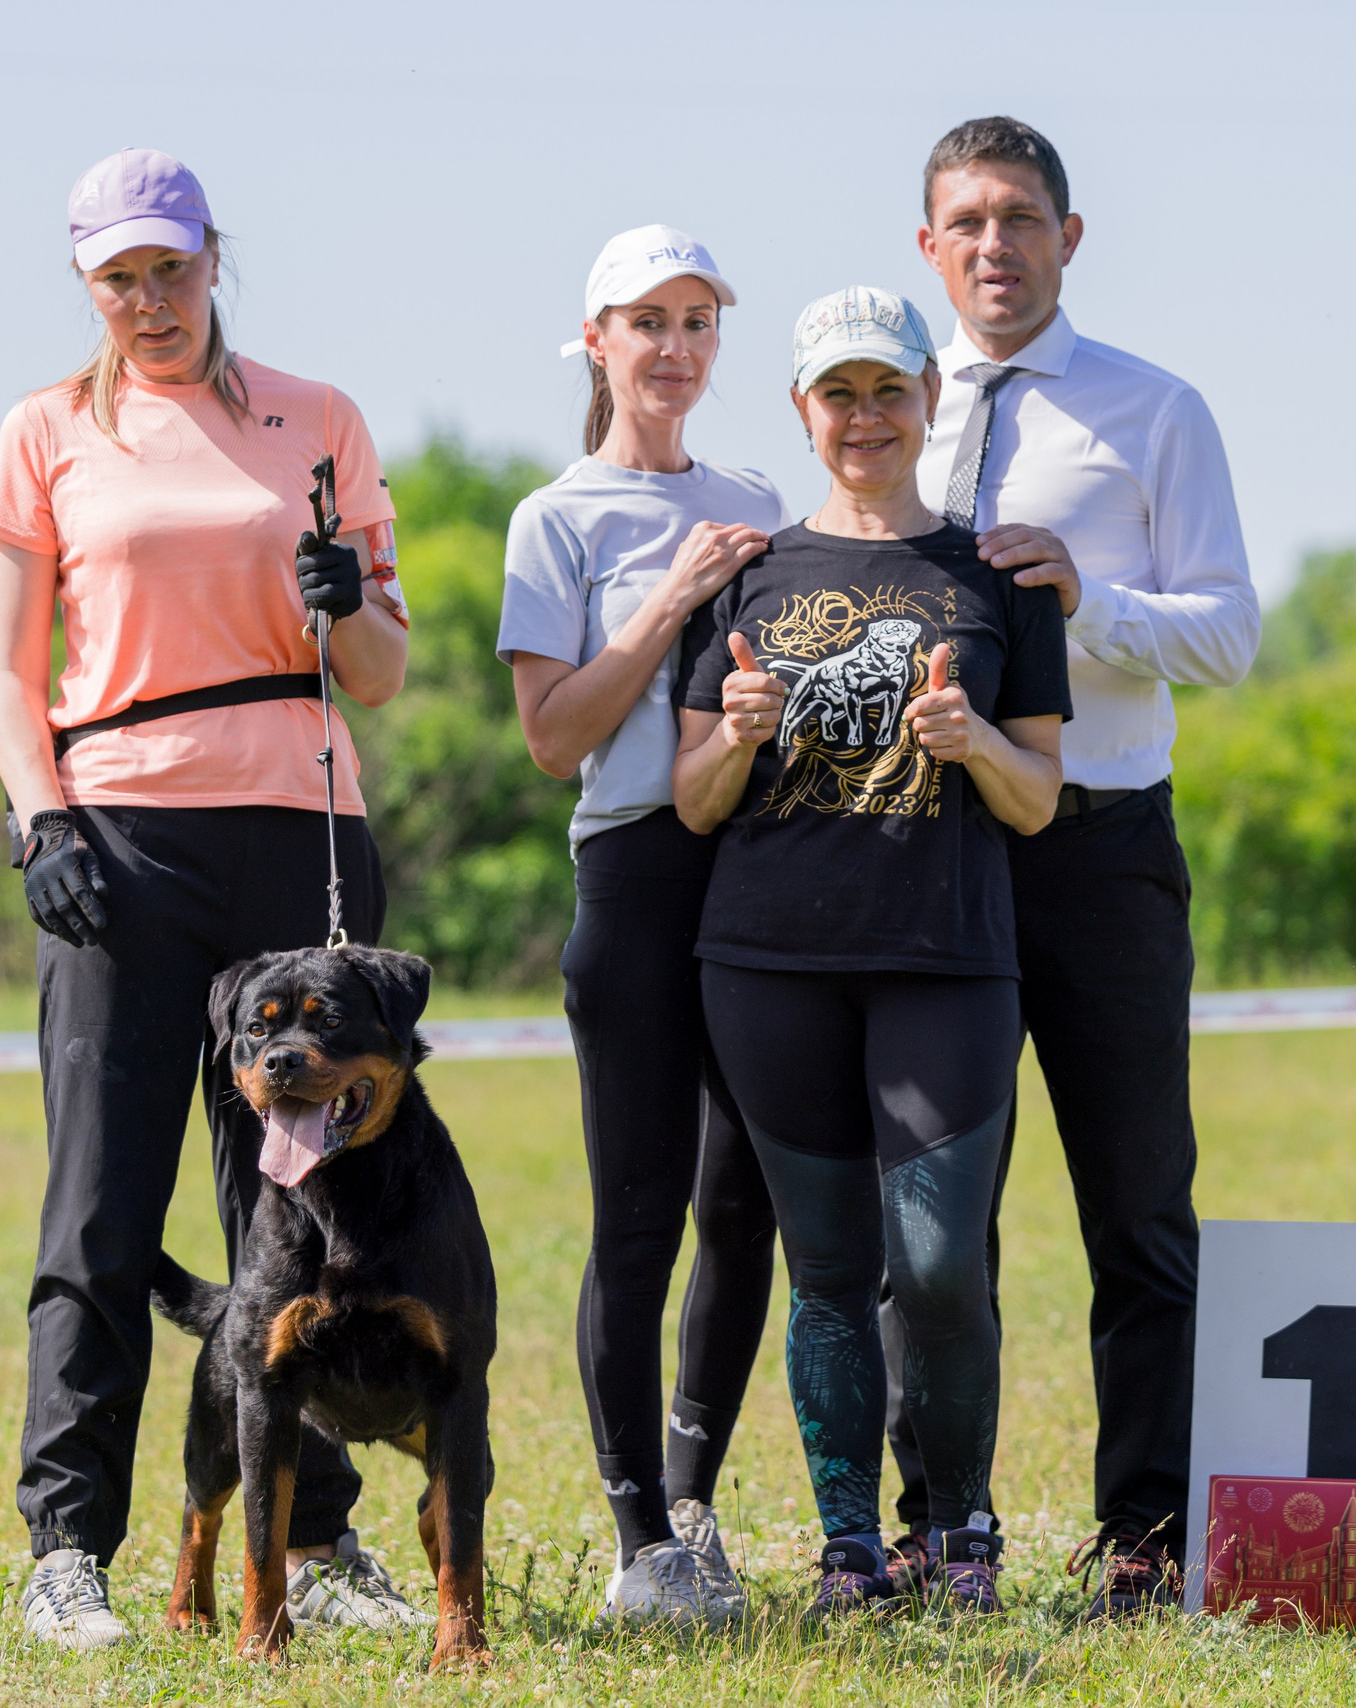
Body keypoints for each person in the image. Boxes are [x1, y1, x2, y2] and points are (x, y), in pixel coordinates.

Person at [0, 147, 424, 1650]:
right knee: (102, 1201)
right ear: (87, 284)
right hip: (116, 838)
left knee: (297, 1212)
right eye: (120, 277)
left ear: (213, 259)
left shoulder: (319, 419)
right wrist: (40, 818)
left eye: (170, 268)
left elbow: (382, 675)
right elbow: (7, 671)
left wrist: (344, 604)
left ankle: (313, 1537)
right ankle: (68, 1550)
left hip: (300, 836)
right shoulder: (45, 431)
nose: (150, 299)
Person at [883, 116, 1263, 1616]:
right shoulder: (885, 410)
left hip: (1104, 852)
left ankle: (1147, 1537)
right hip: (933, 854)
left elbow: (1227, 634)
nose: (997, 245)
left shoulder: (1155, 410)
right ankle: (940, 1532)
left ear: (1070, 236)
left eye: (1022, 217)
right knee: (933, 1223)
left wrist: (1086, 597)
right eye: (968, 222)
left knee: (1139, 1207)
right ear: (929, 247)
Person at [672, 286, 1072, 1616]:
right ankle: (850, 1544)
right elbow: (692, 801)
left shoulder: (996, 577)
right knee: (830, 1271)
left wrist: (978, 744)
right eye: (838, 395)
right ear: (803, 411)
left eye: (888, 390)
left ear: (928, 399)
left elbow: (1039, 798)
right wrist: (735, 733)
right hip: (768, 963)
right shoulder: (748, 576)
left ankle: (961, 1527)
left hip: (947, 959)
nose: (865, 417)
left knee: (942, 1262)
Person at [495, 226, 786, 1623]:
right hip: (634, 874)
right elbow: (554, 737)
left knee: (746, 1203)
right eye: (647, 322)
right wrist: (673, 595)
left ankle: (693, 1505)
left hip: (760, 872)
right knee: (639, 1215)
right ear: (597, 342)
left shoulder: (762, 500)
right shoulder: (555, 519)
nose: (675, 346)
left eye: (696, 321)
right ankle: (635, 1542)